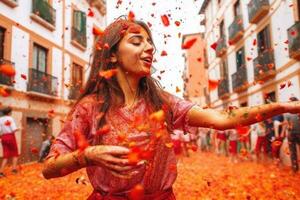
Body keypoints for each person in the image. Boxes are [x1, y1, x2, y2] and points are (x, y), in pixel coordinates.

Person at [42, 17, 300, 199]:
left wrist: (279, 106)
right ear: (111, 55)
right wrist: (87, 155)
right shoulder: (89, 108)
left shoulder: (160, 102)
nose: (150, 48)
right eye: (136, 42)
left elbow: (223, 118)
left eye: (150, 42)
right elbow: (49, 168)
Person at [0, 107, 19, 178]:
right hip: (11, 137)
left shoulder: (0, 119)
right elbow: (14, 129)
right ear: (9, 112)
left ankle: (1, 172)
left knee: (6, 155)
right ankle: (14, 169)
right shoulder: (10, 118)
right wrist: (19, 128)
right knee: (15, 153)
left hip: (3, 137)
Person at [283, 97, 300, 172]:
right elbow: (286, 123)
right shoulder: (287, 113)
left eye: (290, 102)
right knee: (292, 152)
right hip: (291, 134)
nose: (289, 104)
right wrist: (285, 130)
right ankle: (294, 168)